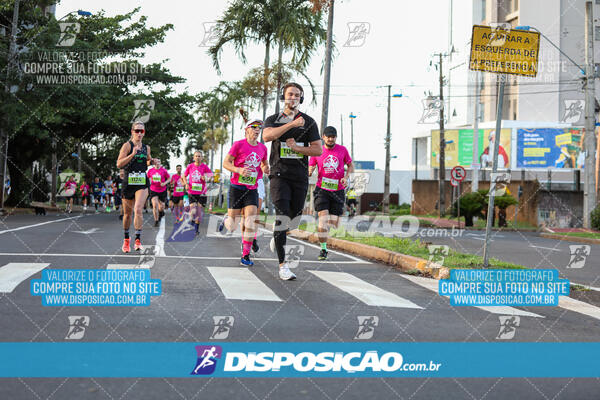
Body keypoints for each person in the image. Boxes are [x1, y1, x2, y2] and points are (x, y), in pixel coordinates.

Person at [262, 82, 322, 280]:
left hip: (300, 176)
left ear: (301, 99)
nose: (293, 98)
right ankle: (283, 266)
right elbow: (266, 136)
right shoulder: (274, 119)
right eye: (290, 94)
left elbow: (317, 150)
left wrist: (297, 148)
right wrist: (291, 125)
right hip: (279, 174)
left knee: (294, 220)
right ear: (284, 97)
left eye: (297, 95)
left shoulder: (309, 122)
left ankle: (278, 237)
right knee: (282, 217)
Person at [219, 118, 269, 266]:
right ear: (246, 130)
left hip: (252, 188)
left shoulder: (263, 148)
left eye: (259, 127)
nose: (257, 129)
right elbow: (226, 163)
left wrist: (265, 168)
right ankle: (226, 218)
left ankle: (245, 255)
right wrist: (238, 170)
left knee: (250, 221)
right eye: (253, 127)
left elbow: (264, 163)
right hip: (236, 187)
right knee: (232, 225)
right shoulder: (238, 145)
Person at [308, 126, 354, 261]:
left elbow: (350, 165)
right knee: (323, 220)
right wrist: (310, 170)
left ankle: (325, 229)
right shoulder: (318, 150)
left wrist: (346, 177)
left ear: (336, 137)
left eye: (333, 136)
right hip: (322, 190)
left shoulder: (342, 150)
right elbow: (312, 165)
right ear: (323, 137)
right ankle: (323, 249)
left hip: (338, 190)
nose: (330, 139)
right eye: (328, 136)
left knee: (334, 223)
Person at [116, 121, 158, 253]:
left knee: (138, 209)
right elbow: (119, 164)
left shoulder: (147, 147)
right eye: (137, 131)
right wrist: (132, 154)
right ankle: (126, 239)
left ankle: (138, 240)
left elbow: (147, 160)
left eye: (142, 131)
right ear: (132, 132)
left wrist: (152, 161)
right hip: (129, 181)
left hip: (141, 181)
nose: (139, 133)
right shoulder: (127, 146)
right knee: (127, 214)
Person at [183, 150, 212, 235]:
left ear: (202, 157)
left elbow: (211, 177)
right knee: (192, 210)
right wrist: (186, 184)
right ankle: (192, 222)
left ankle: (196, 229)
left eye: (199, 156)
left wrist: (205, 178)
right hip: (192, 191)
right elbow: (184, 176)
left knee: (199, 211)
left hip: (202, 192)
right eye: (196, 156)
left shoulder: (205, 167)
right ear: (193, 157)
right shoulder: (190, 166)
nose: (198, 157)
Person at [147, 159, 170, 227]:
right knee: (155, 205)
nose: (157, 163)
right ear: (154, 163)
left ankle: (161, 212)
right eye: (156, 162)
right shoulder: (150, 171)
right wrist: (148, 184)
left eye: (159, 162)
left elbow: (169, 179)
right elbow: (147, 178)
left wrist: (164, 183)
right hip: (153, 190)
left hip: (162, 190)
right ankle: (156, 220)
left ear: (160, 163)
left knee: (162, 206)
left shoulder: (164, 170)